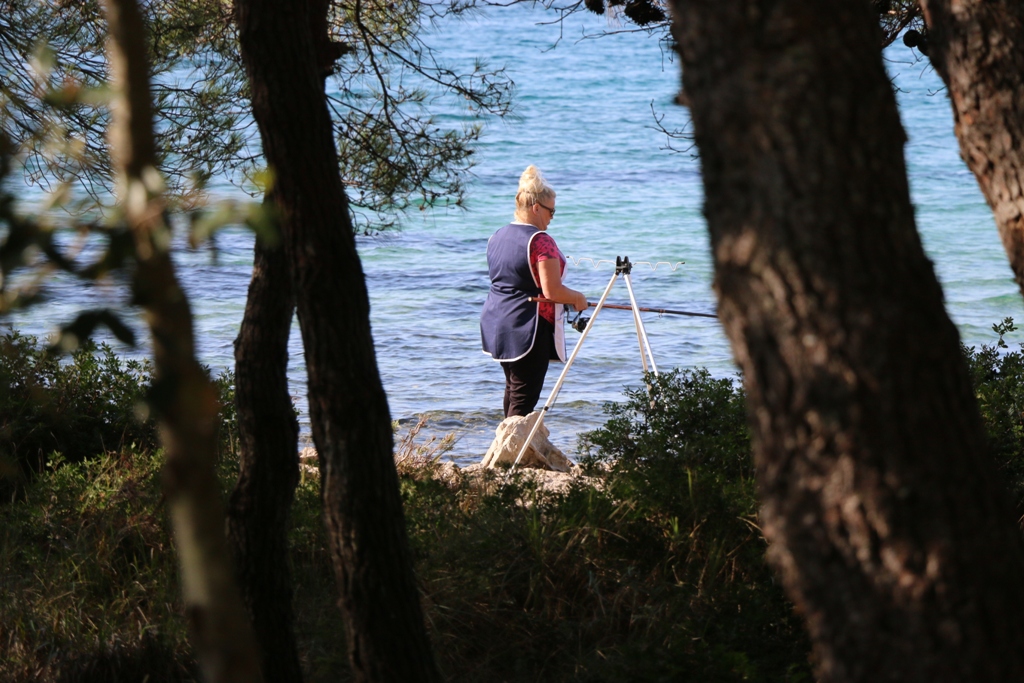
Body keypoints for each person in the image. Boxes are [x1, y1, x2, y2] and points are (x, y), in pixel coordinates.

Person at [480, 165, 588, 418]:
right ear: (536, 208)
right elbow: (552, 291)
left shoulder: (497, 235)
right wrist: (578, 299)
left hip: (497, 321)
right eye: (552, 211)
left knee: (513, 388)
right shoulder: (541, 240)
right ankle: (510, 455)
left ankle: (505, 450)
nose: (553, 217)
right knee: (523, 395)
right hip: (527, 325)